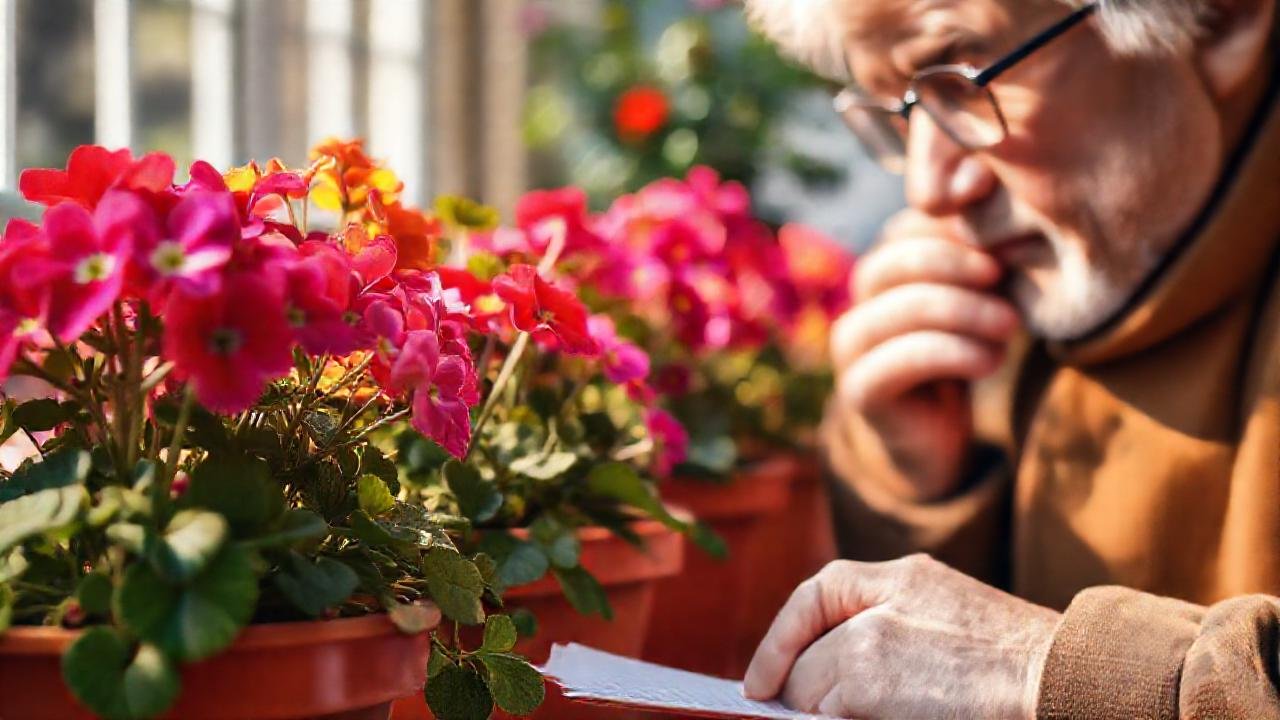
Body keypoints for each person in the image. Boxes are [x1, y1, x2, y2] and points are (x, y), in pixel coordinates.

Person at [741, 0, 1280, 717]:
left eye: (966, 81)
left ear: (1222, 19)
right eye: (900, 113)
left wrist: (1047, 667)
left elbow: (1001, 658)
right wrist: (920, 489)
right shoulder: (999, 318)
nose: (929, 188)